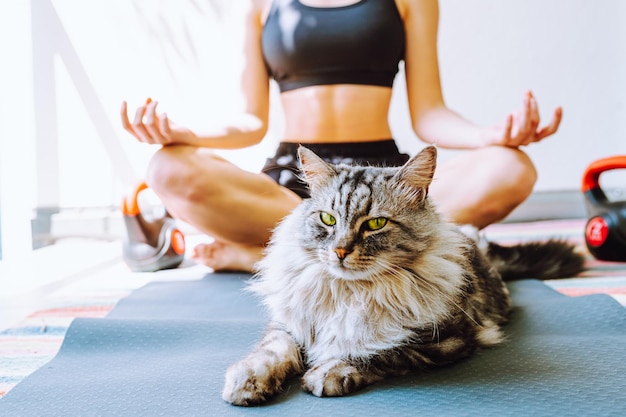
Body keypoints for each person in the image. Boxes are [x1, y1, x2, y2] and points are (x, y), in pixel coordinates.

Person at [120, 0, 562, 272]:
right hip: (296, 189)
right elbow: (249, 120)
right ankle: (307, 250)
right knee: (167, 165)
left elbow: (430, 113)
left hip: (383, 186)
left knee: (510, 166)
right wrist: (183, 132)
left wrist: (491, 136)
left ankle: (268, 257)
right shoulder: (260, 2)